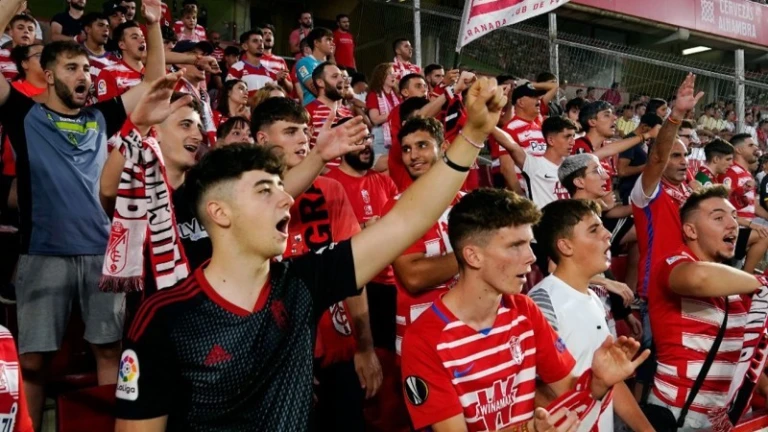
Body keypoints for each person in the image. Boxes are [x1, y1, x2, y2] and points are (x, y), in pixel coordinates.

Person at [114, 75, 508, 431]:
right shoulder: (164, 319)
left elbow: (407, 220)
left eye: (280, 187)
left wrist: (473, 135)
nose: (286, 198)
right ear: (220, 213)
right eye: (265, 191)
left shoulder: (302, 283)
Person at [0, 0, 167, 428]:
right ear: (49, 75)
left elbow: (153, 83)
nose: (84, 76)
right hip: (42, 253)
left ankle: (112, 428)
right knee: (33, 362)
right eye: (73, 68)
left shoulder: (100, 116)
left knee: (109, 351)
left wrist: (152, 26)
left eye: (87, 69)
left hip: (102, 254)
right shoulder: (24, 114)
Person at [400, 188, 649, 431]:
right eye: (515, 245)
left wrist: (598, 383)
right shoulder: (424, 340)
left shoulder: (524, 310)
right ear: (473, 256)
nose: (531, 257)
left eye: (529, 243)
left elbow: (569, 393)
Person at [647, 185, 768, 428]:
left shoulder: (731, 286)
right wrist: (761, 284)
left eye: (734, 216)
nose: (732, 224)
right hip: (679, 414)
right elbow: (699, 278)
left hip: (721, 417)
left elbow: (737, 358)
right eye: (718, 218)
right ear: (691, 230)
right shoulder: (673, 264)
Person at [529, 199, 653, 432]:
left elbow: (610, 380)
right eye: (594, 229)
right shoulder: (542, 303)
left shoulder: (593, 297)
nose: (608, 234)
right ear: (565, 246)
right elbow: (533, 391)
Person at [629, 74, 703, 395]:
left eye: (685, 155)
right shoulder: (648, 191)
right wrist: (676, 116)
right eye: (676, 155)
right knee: (654, 366)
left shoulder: (687, 191)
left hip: (691, 284)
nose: (683, 161)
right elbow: (657, 157)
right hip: (659, 291)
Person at [491, 116, 576, 208]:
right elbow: (510, 144)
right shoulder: (533, 165)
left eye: (573, 136)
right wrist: (488, 124)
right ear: (551, 140)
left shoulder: (574, 168)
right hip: (542, 216)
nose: (573, 142)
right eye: (567, 137)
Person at [718, 133, 768, 274]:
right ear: (738, 150)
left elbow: (754, 206)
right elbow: (724, 203)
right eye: (751, 145)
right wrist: (751, 225)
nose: (756, 148)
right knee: (765, 235)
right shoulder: (731, 172)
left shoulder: (746, 174)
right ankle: (747, 277)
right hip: (733, 228)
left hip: (745, 226)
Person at [305, 62, 352, 167]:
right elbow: (304, 152)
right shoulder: (308, 112)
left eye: (342, 76)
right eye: (335, 76)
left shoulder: (347, 112)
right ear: (320, 82)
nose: (341, 80)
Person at [617, 113, 664, 204]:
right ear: (644, 127)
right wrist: (647, 167)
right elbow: (622, 171)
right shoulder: (629, 141)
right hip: (630, 191)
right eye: (656, 130)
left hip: (640, 190)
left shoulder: (643, 142)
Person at [95, 20, 146, 101]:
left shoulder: (154, 71)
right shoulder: (109, 74)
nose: (142, 40)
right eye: (134, 37)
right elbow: (109, 108)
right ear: (122, 45)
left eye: (142, 37)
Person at [225, 29, 283, 97]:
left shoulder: (271, 73)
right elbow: (229, 95)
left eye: (261, 41)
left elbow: (275, 99)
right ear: (245, 46)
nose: (260, 44)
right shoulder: (236, 69)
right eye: (255, 41)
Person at [365, 62, 400, 170]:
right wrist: (394, 113)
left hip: (396, 135)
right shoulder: (374, 94)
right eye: (389, 73)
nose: (393, 76)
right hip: (381, 137)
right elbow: (375, 119)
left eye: (394, 73)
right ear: (381, 76)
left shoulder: (397, 95)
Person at [81, 12, 114, 105]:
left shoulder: (114, 62)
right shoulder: (74, 55)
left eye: (107, 26)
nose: (106, 29)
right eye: (100, 25)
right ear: (88, 29)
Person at [295, 27, 334, 106]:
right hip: (313, 108)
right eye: (328, 39)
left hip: (332, 108)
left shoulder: (332, 66)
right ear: (316, 43)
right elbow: (314, 88)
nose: (332, 43)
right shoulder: (303, 63)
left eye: (332, 40)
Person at [258, 23, 293, 95]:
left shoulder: (280, 60)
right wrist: (275, 77)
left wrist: (284, 79)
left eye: (270, 33)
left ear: (273, 40)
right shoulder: (255, 58)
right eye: (265, 33)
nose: (268, 35)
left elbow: (290, 89)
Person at [0, 14, 35, 81]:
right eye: (20, 28)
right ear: (11, 32)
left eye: (30, 29)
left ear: (35, 36)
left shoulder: (43, 59)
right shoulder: (1, 54)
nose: (26, 31)